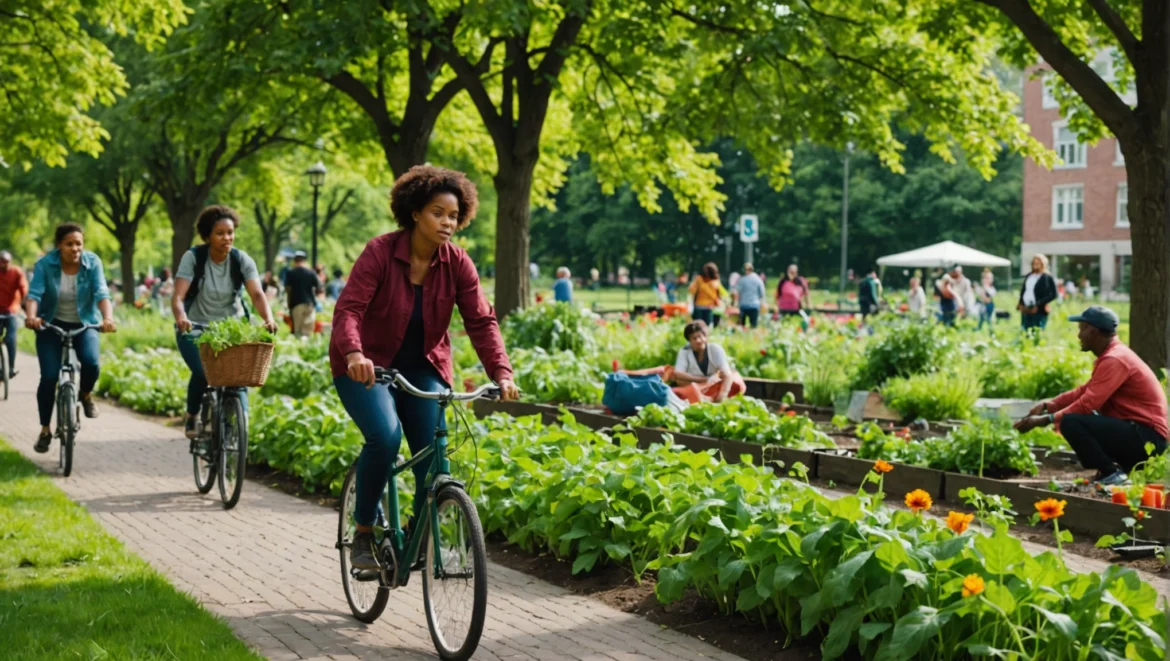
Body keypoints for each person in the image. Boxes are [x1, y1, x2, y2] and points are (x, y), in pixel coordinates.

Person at [332, 165, 519, 570]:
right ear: (415, 212)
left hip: (423, 368)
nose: (447, 222)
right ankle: (364, 532)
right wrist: (353, 354)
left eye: (453, 215)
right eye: (438, 212)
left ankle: (419, 536)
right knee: (384, 436)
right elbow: (350, 308)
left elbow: (481, 321)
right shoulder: (380, 252)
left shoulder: (458, 263)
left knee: (434, 459)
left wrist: (501, 372)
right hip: (368, 366)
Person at [1014, 306, 1167, 486]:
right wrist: (1050, 404)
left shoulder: (1115, 359)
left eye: (1081, 329)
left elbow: (1088, 403)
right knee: (1085, 418)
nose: (1079, 335)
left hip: (1148, 437)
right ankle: (1114, 471)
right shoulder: (1113, 355)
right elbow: (1084, 391)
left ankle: (1112, 473)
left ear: (1093, 331)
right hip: (1139, 433)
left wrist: (1045, 420)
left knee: (1071, 421)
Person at [173, 205, 278, 440]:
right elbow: (178, 297)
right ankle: (192, 414)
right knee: (204, 371)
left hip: (232, 329)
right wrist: (181, 317)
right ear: (207, 236)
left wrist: (268, 318)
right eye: (220, 233)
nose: (227, 238)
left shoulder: (241, 260)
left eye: (230, 232)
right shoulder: (194, 258)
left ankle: (239, 425)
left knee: (238, 378)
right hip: (195, 327)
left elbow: (257, 294)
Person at [25, 223, 117, 453]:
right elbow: (34, 294)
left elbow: (101, 292)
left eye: (79, 243)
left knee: (92, 362)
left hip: (84, 323)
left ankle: (85, 395)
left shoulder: (92, 262)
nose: (75, 248)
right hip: (50, 325)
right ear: (59, 245)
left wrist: (107, 318)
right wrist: (32, 316)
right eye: (69, 244)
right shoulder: (45, 265)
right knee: (48, 377)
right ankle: (45, 430)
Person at [670, 320, 745, 404]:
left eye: (700, 336)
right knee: (680, 383)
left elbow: (726, 374)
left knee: (732, 381)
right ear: (689, 341)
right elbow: (678, 374)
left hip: (714, 386)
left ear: (705, 337)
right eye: (694, 338)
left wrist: (723, 394)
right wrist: (704, 380)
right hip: (695, 386)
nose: (698, 340)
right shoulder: (684, 351)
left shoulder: (715, 349)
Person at [0, 251, 28, 378]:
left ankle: (10, 368)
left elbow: (23, 289)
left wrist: (25, 306)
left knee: (11, 339)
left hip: (11, 310)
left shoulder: (16, 272)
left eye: (6, 262)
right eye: (1, 261)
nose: (3, 264)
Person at [284, 251, 321, 337]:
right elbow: (319, 287)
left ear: (295, 261)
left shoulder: (291, 273)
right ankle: (307, 349)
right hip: (310, 304)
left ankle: (299, 348)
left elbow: (288, 289)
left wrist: (289, 304)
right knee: (307, 333)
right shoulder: (311, 272)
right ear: (304, 260)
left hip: (296, 304)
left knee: (298, 332)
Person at [1018, 254, 1057, 330]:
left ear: (1043, 264)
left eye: (1038, 263)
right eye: (1034, 263)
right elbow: (1024, 290)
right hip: (1026, 308)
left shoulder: (1047, 277)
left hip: (1039, 309)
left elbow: (1053, 294)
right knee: (1025, 330)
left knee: (1037, 331)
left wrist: (1039, 303)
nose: (1035, 265)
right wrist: (1020, 303)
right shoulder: (1029, 276)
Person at [733, 262, 765, 328]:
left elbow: (735, 292)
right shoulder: (758, 279)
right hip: (754, 305)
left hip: (743, 305)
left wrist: (734, 303)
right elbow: (762, 293)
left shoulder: (742, 280)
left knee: (741, 326)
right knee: (753, 326)